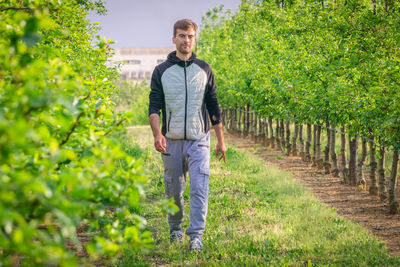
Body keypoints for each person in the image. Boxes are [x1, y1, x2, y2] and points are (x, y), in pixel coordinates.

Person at [148, 18, 226, 251]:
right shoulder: (161, 71)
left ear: (195, 39)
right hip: (170, 141)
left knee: (200, 188)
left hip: (199, 139)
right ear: (174, 39)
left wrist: (221, 141)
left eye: (190, 36)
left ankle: (196, 237)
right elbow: (154, 107)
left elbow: (213, 106)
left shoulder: (204, 69)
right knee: (174, 191)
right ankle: (175, 230)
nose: (186, 40)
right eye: (182, 36)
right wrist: (156, 134)